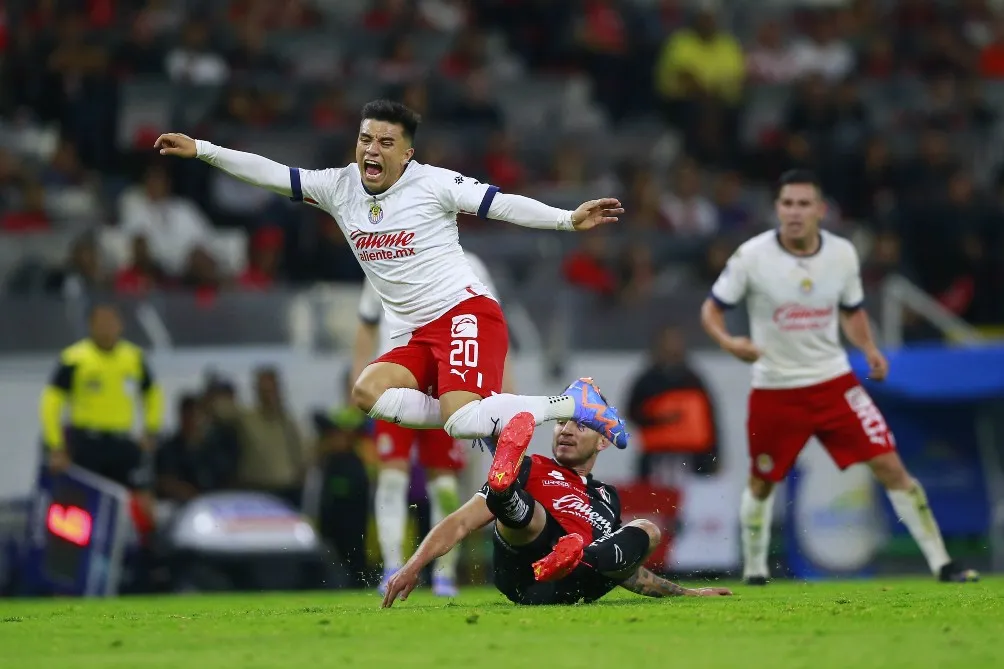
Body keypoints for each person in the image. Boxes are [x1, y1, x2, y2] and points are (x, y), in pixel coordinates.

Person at [154, 99, 629, 463]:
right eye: (365, 140)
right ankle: (486, 412)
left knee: (461, 420)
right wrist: (203, 150)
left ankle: (572, 402)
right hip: (416, 333)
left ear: (407, 153)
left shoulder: (434, 183)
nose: (371, 150)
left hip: (465, 313)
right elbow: (274, 174)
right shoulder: (338, 187)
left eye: (384, 143)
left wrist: (568, 219)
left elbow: (502, 204)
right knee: (366, 393)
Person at [699, 169, 980, 585]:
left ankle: (942, 563)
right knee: (762, 483)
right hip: (776, 389)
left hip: (834, 383)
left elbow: (852, 310)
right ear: (778, 208)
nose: (794, 212)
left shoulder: (843, 254)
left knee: (891, 466)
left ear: (820, 210)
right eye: (787, 204)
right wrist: (729, 342)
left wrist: (868, 349)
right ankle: (756, 570)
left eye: (803, 204)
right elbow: (712, 309)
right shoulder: (751, 256)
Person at [382, 385, 733, 608]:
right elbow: (461, 522)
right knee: (527, 512)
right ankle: (503, 491)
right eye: (561, 422)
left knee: (647, 528)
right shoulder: (532, 467)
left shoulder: (607, 496)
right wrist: (412, 566)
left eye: (579, 424)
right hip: (525, 570)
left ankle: (572, 553)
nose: (565, 430)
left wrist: (688, 594)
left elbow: (623, 570)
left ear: (602, 440)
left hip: (575, 580)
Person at [353, 250, 514, 597]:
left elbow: (491, 326)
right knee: (392, 476)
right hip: (393, 381)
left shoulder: (471, 264)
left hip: (447, 380)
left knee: (443, 481)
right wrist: (358, 376)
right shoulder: (379, 255)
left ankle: (444, 573)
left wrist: (502, 391)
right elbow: (366, 324)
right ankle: (392, 566)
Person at [40, 304, 163, 488]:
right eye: (101, 322)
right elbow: (51, 402)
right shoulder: (75, 359)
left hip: (121, 441)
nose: (106, 328)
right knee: (83, 500)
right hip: (86, 442)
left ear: (120, 325)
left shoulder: (134, 358)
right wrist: (56, 445)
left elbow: (152, 394)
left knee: (136, 495)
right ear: (91, 325)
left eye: (111, 322)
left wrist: (151, 430)